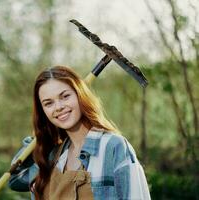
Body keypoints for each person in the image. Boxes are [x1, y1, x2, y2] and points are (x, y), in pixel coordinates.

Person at [9, 66, 151, 200]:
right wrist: (39, 140)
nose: (58, 107)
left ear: (80, 95)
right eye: (48, 103)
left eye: (65, 96)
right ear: (43, 112)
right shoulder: (54, 156)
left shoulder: (112, 147)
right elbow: (15, 179)